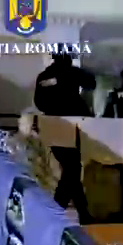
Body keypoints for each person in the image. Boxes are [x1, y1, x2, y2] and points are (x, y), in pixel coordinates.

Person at [33, 50, 95, 224]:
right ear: (67, 58)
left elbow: (39, 103)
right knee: (72, 168)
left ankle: (75, 213)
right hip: (70, 125)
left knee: (71, 169)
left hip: (51, 125)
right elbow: (91, 84)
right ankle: (59, 212)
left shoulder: (44, 76)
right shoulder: (72, 72)